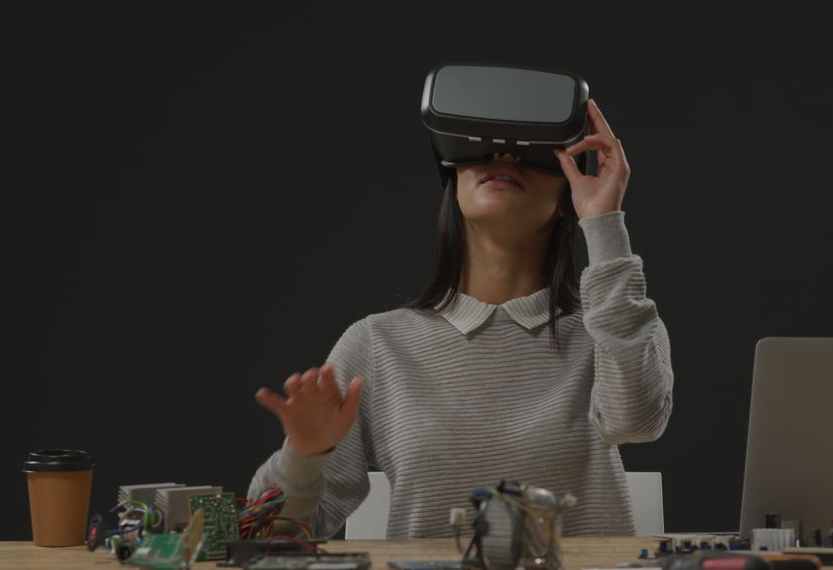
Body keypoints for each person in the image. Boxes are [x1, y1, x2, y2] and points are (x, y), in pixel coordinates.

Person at [247, 98, 674, 539]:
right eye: (481, 147)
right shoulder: (377, 343)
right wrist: (306, 456)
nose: (504, 156)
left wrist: (605, 222)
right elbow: (269, 536)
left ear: (566, 198)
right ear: (452, 182)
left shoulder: (611, 325)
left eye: (532, 151)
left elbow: (636, 422)